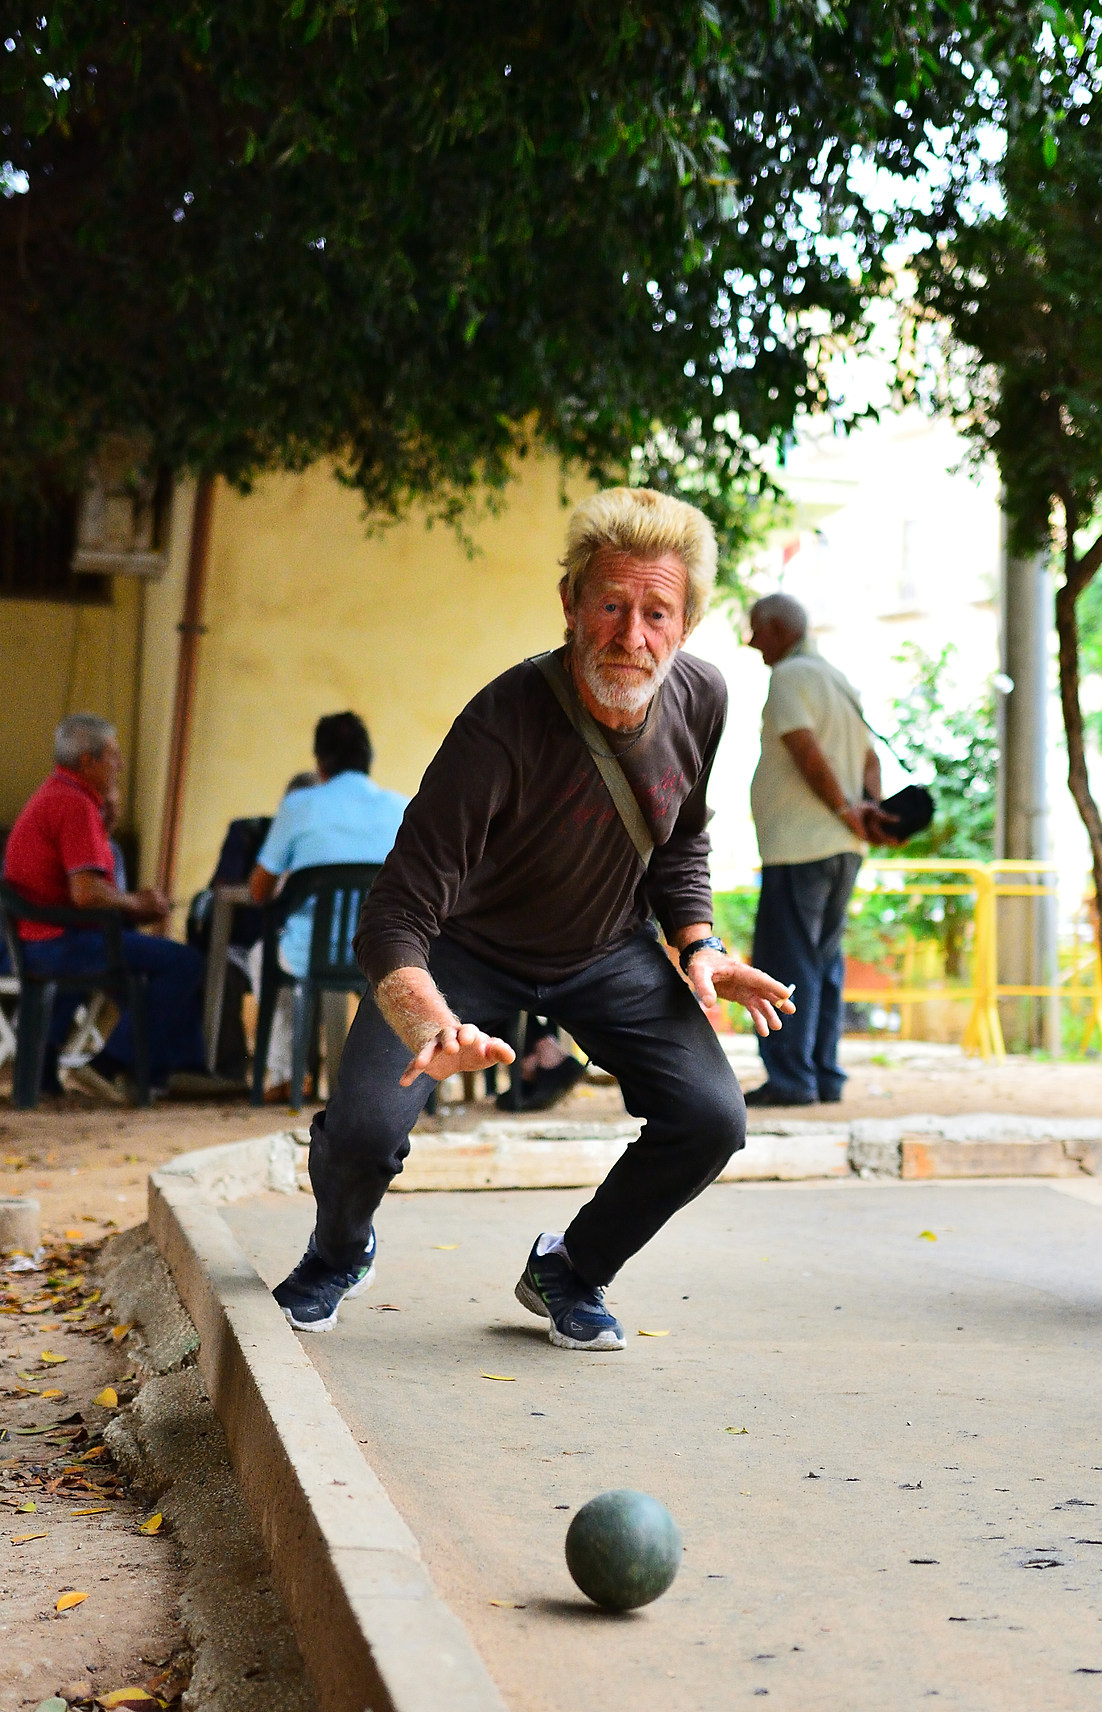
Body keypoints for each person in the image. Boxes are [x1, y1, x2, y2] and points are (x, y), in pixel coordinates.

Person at [270, 486, 792, 1348]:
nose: (632, 636)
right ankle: (338, 1250)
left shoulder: (701, 697)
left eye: (657, 613)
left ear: (687, 624)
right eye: (611, 606)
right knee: (365, 1127)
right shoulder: (502, 722)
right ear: (570, 607)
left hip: (604, 950)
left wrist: (701, 944)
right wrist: (429, 1018)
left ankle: (571, 1270)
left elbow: (681, 842)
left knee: (711, 1117)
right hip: (465, 950)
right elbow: (395, 910)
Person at [3, 713, 204, 1097]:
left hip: (37, 938)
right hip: (55, 944)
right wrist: (137, 903)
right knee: (183, 963)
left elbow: (82, 882)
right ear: (88, 762)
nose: (120, 765)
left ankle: (163, 1069)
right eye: (113, 756)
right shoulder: (73, 803)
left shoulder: (58, 795)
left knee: (145, 962)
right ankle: (111, 1066)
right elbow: (86, 895)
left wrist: (104, 826)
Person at [744, 592, 881, 1106]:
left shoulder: (790, 677)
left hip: (801, 844)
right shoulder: (838, 682)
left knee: (787, 961)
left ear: (779, 629)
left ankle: (791, 1079)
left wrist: (845, 809)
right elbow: (869, 758)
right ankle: (823, 1075)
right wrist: (866, 812)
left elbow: (805, 750)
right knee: (824, 961)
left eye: (757, 630)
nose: (752, 641)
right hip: (842, 846)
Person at [248, 717, 407, 1099]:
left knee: (260, 956)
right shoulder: (401, 806)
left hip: (309, 956)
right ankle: (407, 1081)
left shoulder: (299, 805)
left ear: (320, 763)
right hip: (385, 952)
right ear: (369, 758)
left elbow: (258, 890)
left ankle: (285, 1073)